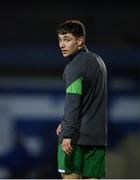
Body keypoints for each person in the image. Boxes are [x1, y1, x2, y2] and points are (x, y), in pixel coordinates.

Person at [56, 20, 107, 179]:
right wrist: (65, 122)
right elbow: (90, 101)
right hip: (98, 139)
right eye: (60, 39)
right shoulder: (99, 62)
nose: (62, 44)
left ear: (80, 40)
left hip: (75, 139)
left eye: (67, 39)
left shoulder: (74, 67)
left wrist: (67, 132)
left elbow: (73, 102)